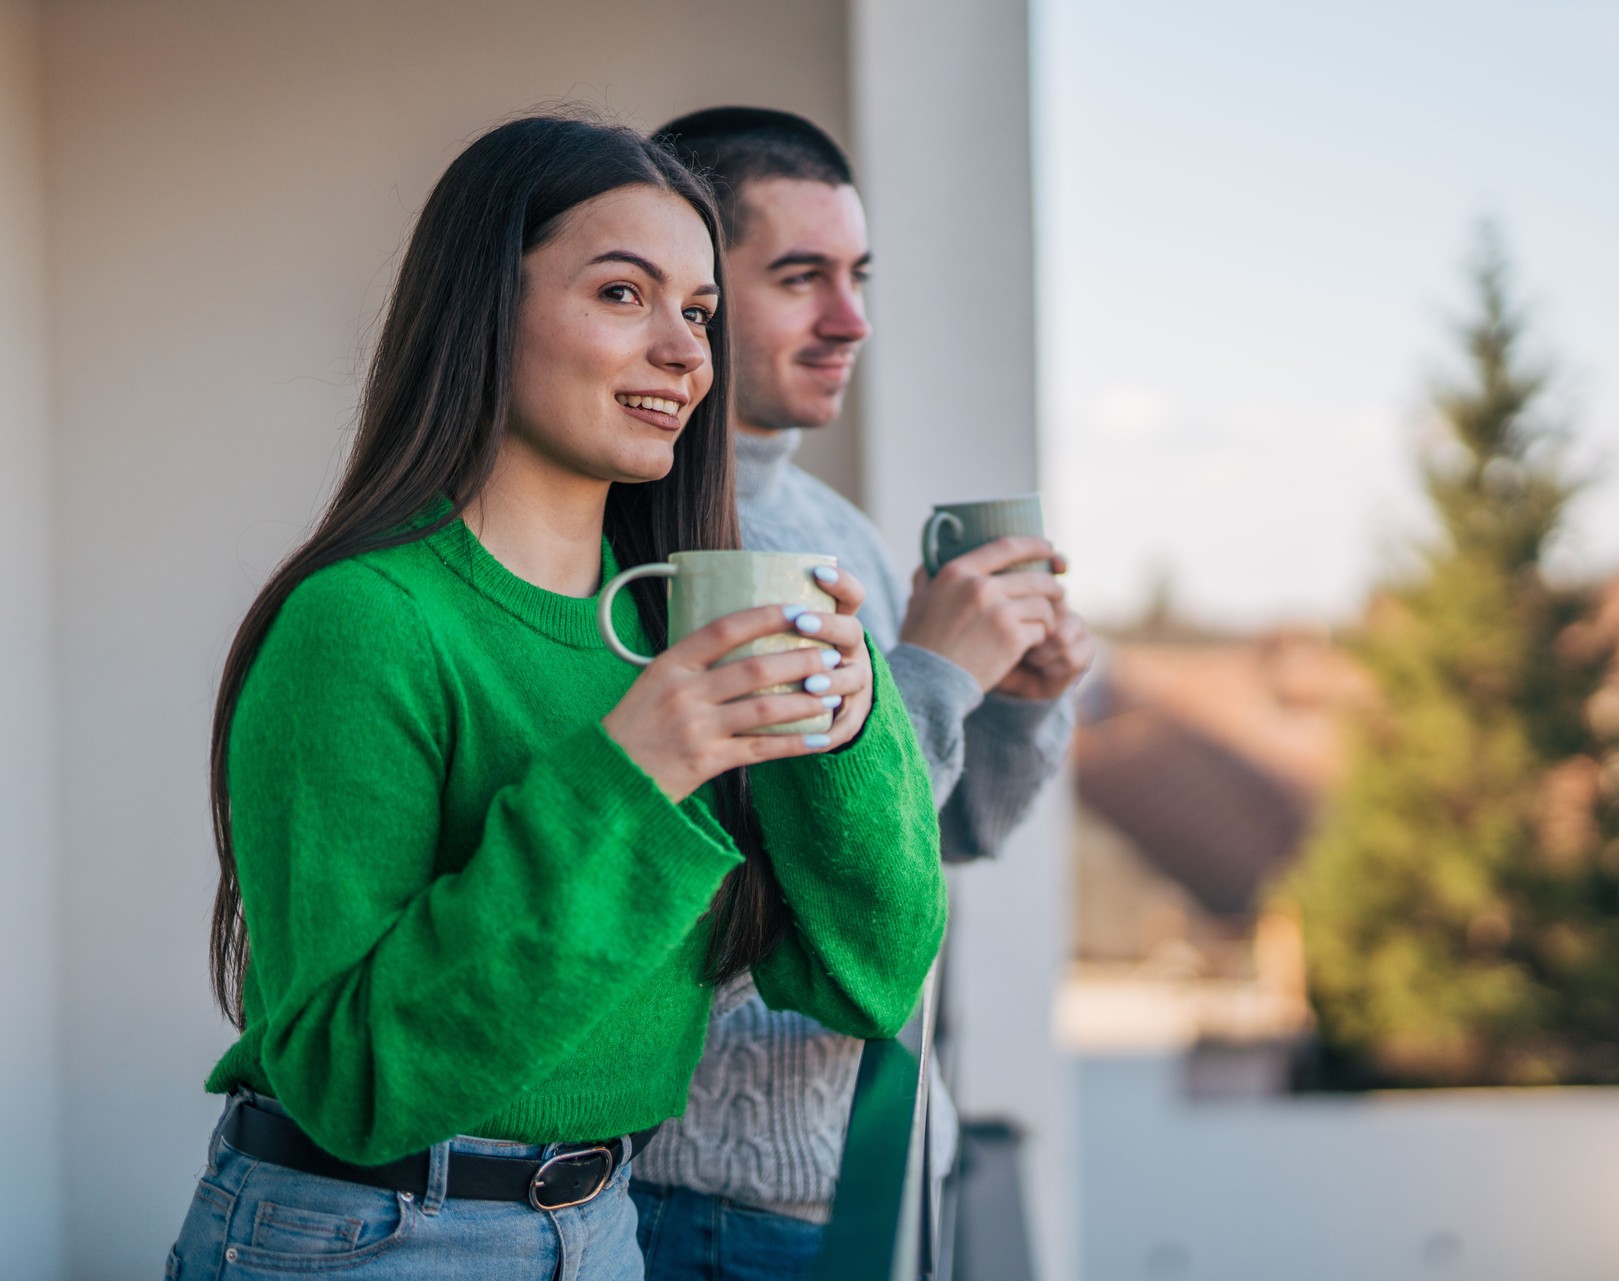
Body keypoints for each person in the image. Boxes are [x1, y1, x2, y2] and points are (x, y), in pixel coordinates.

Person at [163, 112, 946, 1281]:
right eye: (625, 294)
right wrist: (636, 774)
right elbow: (354, 1081)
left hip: (603, 1225)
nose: (687, 355)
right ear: (486, 305)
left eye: (699, 312)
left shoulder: (674, 626)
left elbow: (865, 974)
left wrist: (855, 717)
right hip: (366, 1237)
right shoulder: (364, 622)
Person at [632, 108, 1095, 1277]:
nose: (853, 321)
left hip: (871, 1155)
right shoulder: (660, 548)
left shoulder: (829, 528)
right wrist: (931, 676)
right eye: (802, 279)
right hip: (711, 1196)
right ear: (696, 289)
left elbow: (942, 836)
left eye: (858, 276)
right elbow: (753, 878)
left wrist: (1013, 700)